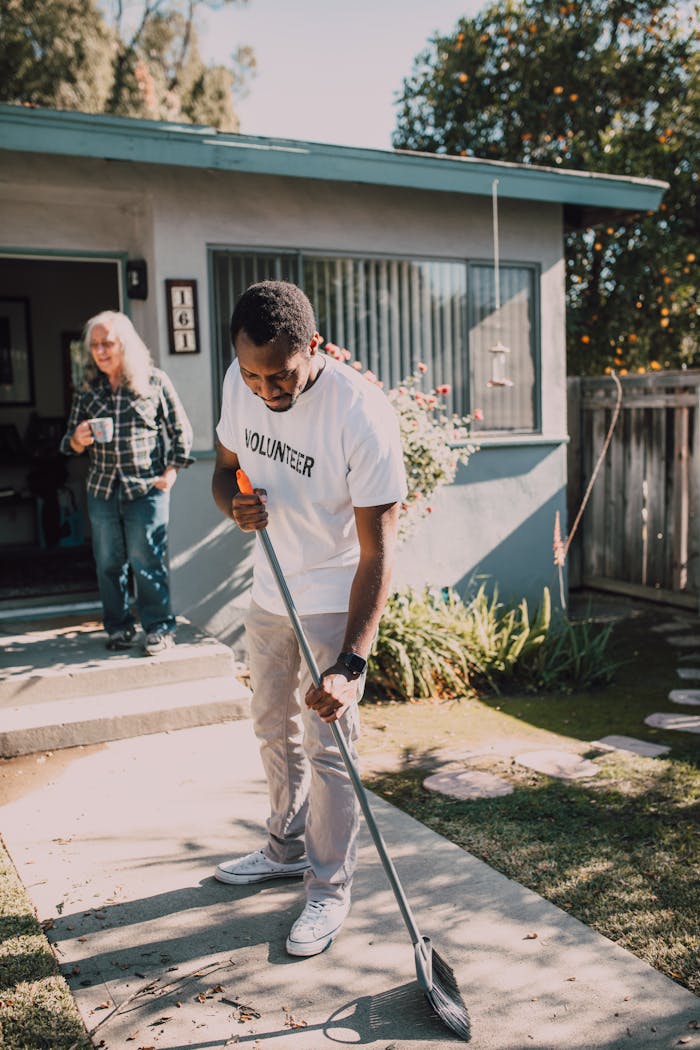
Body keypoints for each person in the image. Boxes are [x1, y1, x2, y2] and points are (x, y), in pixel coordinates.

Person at [211, 281, 407, 958]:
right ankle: (283, 849)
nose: (266, 390)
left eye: (281, 376)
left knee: (330, 751)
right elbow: (225, 471)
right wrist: (234, 507)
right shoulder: (241, 381)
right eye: (253, 375)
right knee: (272, 730)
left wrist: (350, 664)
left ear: (314, 349)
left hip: (330, 596)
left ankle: (328, 890)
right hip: (268, 591)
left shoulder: (360, 413)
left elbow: (379, 551)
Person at [60, 310, 193, 655]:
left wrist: (171, 473)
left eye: (108, 343)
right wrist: (77, 439)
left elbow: (181, 431)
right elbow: (67, 444)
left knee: (146, 560)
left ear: (125, 345)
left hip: (146, 489)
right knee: (108, 563)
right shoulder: (87, 390)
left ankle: (159, 629)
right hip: (103, 490)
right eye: (95, 345)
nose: (101, 351)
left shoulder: (154, 382)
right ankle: (119, 628)